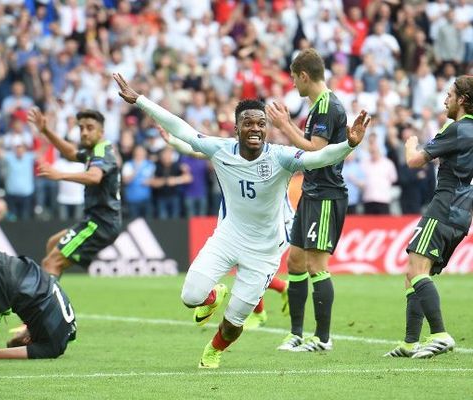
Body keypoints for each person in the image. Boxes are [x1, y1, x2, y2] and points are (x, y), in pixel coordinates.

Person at [113, 72, 370, 368]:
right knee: (190, 297)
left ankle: (214, 350)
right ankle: (212, 296)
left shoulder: (281, 157)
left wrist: (348, 145)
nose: (255, 129)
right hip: (228, 237)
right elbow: (182, 129)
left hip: (264, 251)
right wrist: (141, 101)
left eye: (261, 123)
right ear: (236, 128)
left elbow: (317, 159)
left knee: (234, 322)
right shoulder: (220, 149)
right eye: (248, 123)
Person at [157, 125, 290, 330]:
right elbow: (202, 152)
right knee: (244, 268)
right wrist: (175, 142)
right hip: (240, 225)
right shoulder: (232, 155)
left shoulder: (276, 158)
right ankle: (274, 296)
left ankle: (261, 310)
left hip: (275, 227)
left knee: (249, 270)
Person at [266, 48, 349, 352]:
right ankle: (297, 333)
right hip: (311, 192)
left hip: (326, 194)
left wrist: (284, 126)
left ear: (304, 75)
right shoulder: (317, 106)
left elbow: (315, 150)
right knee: (295, 261)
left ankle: (323, 339)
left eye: (293, 79)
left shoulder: (327, 106)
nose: (293, 85)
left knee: (316, 264)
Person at [384, 76, 473, 359]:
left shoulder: (458, 129)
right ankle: (410, 342)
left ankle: (439, 334)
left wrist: (410, 143)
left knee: (418, 271)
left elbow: (414, 161)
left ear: (462, 100)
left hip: (443, 207)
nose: (445, 99)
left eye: (449, 94)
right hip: (461, 213)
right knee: (413, 273)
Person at [27, 108, 122, 277]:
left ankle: (48, 302)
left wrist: (60, 175)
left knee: (50, 263)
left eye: (90, 128)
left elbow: (94, 177)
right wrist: (46, 130)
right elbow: (71, 153)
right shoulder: (93, 151)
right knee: (52, 244)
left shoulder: (101, 151)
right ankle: (51, 296)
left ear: (101, 131)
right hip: (96, 220)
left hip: (100, 223)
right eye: (81, 128)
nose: (84, 133)